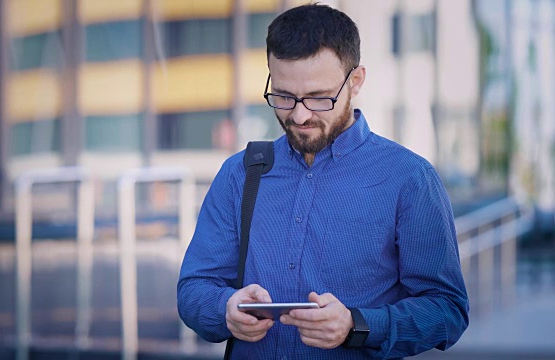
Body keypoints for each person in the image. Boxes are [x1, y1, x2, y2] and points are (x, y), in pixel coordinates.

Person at [177, 4, 469, 359]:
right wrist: (226, 308)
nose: (299, 115)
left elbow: (448, 311)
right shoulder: (239, 174)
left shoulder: (409, 178)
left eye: (318, 97)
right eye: (283, 96)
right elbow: (194, 289)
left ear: (356, 81)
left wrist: (356, 324)